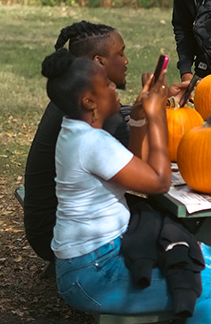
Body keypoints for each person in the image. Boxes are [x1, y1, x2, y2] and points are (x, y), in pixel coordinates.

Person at [41, 48, 211, 321]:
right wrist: (156, 115)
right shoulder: (93, 143)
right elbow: (160, 182)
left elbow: (137, 162)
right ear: (90, 101)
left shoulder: (76, 131)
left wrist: (140, 114)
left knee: (206, 257)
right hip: (93, 272)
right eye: (106, 83)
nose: (114, 86)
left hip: (91, 260)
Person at [24, 21, 131, 263]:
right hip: (55, 233)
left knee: (149, 214)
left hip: (51, 221)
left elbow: (125, 113)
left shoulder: (75, 102)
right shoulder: (96, 121)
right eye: (120, 53)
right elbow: (150, 163)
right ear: (98, 63)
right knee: (160, 217)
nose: (125, 61)